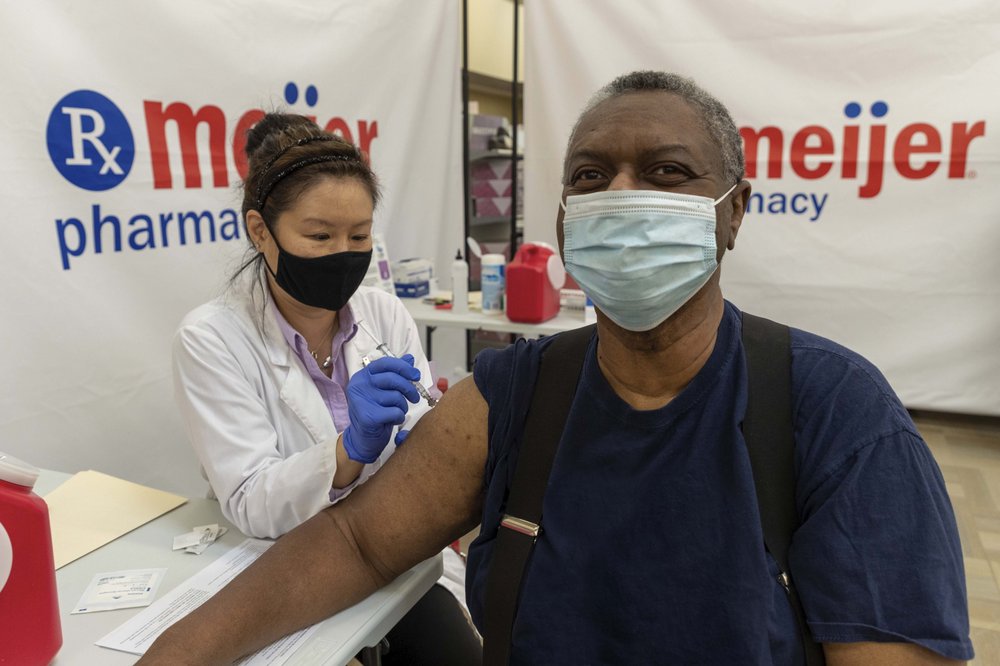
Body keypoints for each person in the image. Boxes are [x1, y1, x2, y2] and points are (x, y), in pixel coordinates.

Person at [142, 72, 973, 665]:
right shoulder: (513, 396)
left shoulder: (834, 413)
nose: (622, 196)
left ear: (734, 211)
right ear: (569, 221)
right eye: (590, 177)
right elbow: (358, 541)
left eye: (667, 172)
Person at [170, 113, 481, 665]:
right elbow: (250, 502)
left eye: (359, 235)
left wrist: (436, 436)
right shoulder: (211, 338)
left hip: (394, 547)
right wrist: (349, 450)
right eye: (319, 236)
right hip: (289, 560)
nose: (344, 252)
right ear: (260, 231)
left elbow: (419, 443)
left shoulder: (382, 313)